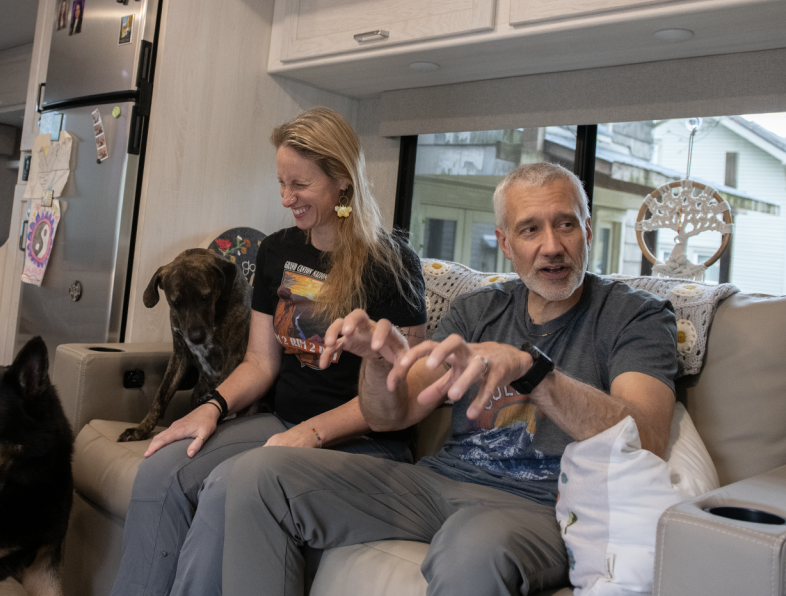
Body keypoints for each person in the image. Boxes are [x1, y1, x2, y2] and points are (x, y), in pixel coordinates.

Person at [221, 162, 679, 596]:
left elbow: (648, 439)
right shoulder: (477, 310)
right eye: (529, 229)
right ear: (504, 242)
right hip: (435, 483)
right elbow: (390, 414)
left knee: (472, 543)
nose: (552, 246)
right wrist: (379, 363)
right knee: (258, 473)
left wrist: (533, 371)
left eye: (566, 224)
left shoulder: (634, 314)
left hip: (540, 503)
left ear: (587, 230)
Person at [109, 107, 427, 596]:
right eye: (281, 183)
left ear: (342, 180)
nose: (285, 198)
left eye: (299, 185)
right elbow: (260, 362)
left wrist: (313, 432)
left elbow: (405, 391)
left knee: (226, 486)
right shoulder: (278, 251)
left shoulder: (391, 262)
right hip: (283, 422)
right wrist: (211, 409)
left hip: (366, 441)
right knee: (160, 468)